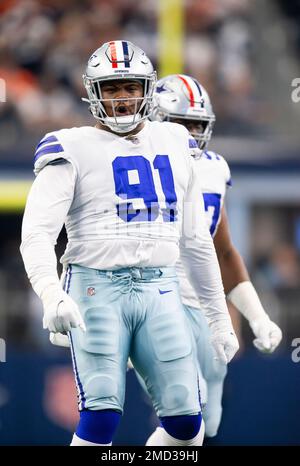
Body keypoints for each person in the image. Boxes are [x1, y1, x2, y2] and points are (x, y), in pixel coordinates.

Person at [20, 41, 239, 447]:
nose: (122, 98)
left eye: (130, 86)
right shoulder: (70, 145)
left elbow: (196, 241)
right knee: (100, 418)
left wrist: (218, 318)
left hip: (161, 287)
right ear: (93, 93)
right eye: (112, 88)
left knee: (188, 424)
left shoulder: (176, 140)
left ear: (147, 88)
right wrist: (52, 295)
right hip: (95, 288)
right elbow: (36, 233)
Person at [143, 74, 282, 439]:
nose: (190, 134)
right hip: (150, 304)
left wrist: (258, 317)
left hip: (200, 310)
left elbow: (223, 251)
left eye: (196, 125)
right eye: (181, 124)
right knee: (187, 414)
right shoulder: (134, 164)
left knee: (205, 422)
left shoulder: (214, 168)